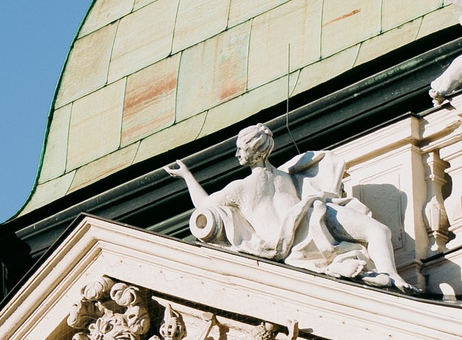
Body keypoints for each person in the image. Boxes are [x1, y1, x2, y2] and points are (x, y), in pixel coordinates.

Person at [166, 124, 416, 291]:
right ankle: (386, 275)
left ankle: (391, 278)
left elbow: (204, 207)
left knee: (378, 231)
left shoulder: (242, 187)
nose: (237, 155)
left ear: (253, 152)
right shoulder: (286, 174)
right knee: (378, 231)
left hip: (306, 225)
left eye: (240, 149)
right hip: (309, 225)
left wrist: (188, 178)